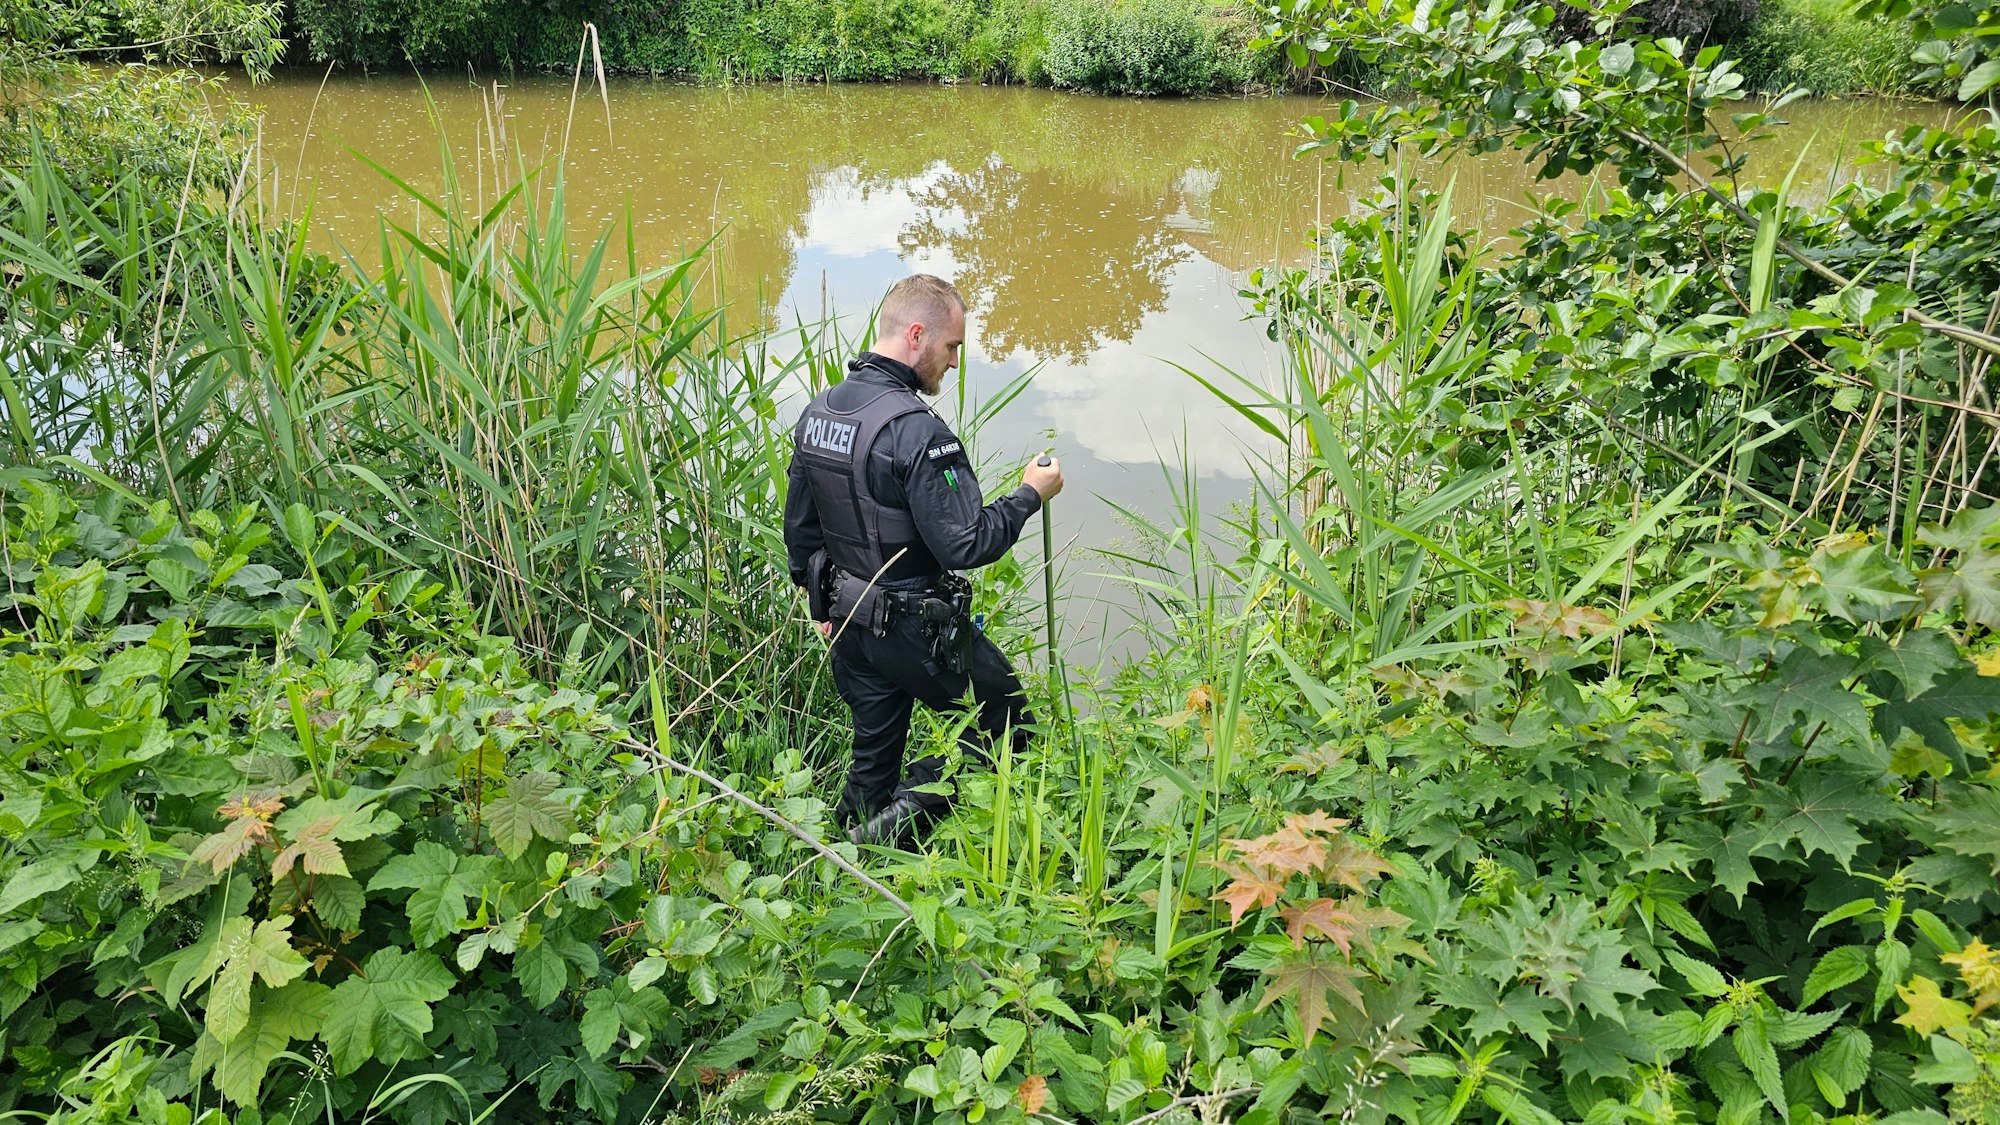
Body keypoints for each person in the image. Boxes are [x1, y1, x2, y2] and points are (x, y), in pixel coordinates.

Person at [784, 275, 1065, 849]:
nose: (954, 363)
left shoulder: (820, 412)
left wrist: (822, 605)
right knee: (1009, 729)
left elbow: (801, 531)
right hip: (916, 628)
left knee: (874, 750)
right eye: (952, 347)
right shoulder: (919, 433)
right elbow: (967, 544)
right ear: (916, 335)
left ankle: (841, 857)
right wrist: (1030, 494)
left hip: (848, 620)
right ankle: (893, 828)